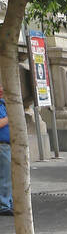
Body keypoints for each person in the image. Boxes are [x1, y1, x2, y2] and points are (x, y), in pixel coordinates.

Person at [0, 82, 12, 215]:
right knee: (5, 176)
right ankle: (4, 205)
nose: (1, 89)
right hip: (2, 145)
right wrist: (10, 118)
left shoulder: (3, 104)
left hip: (8, 144)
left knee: (9, 176)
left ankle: (8, 202)